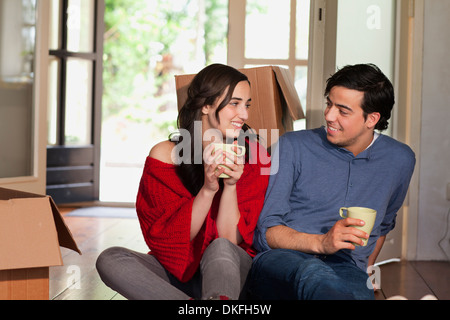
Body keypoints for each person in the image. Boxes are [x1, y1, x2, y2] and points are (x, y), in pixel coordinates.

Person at [96, 64, 270, 300]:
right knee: (111, 259)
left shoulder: (254, 155)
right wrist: (208, 190)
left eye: (247, 105)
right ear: (206, 105)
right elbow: (167, 238)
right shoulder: (165, 155)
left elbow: (228, 240)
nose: (245, 114)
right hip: (178, 275)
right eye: (235, 103)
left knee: (219, 249)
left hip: (229, 273)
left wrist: (229, 185)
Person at [246, 64, 416, 300]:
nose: (328, 115)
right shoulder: (293, 146)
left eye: (343, 111)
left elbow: (384, 225)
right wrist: (322, 243)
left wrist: (365, 270)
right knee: (313, 272)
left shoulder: (400, 159)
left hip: (346, 268)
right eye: (329, 104)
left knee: (352, 290)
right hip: (283, 261)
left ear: (372, 119)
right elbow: (267, 231)